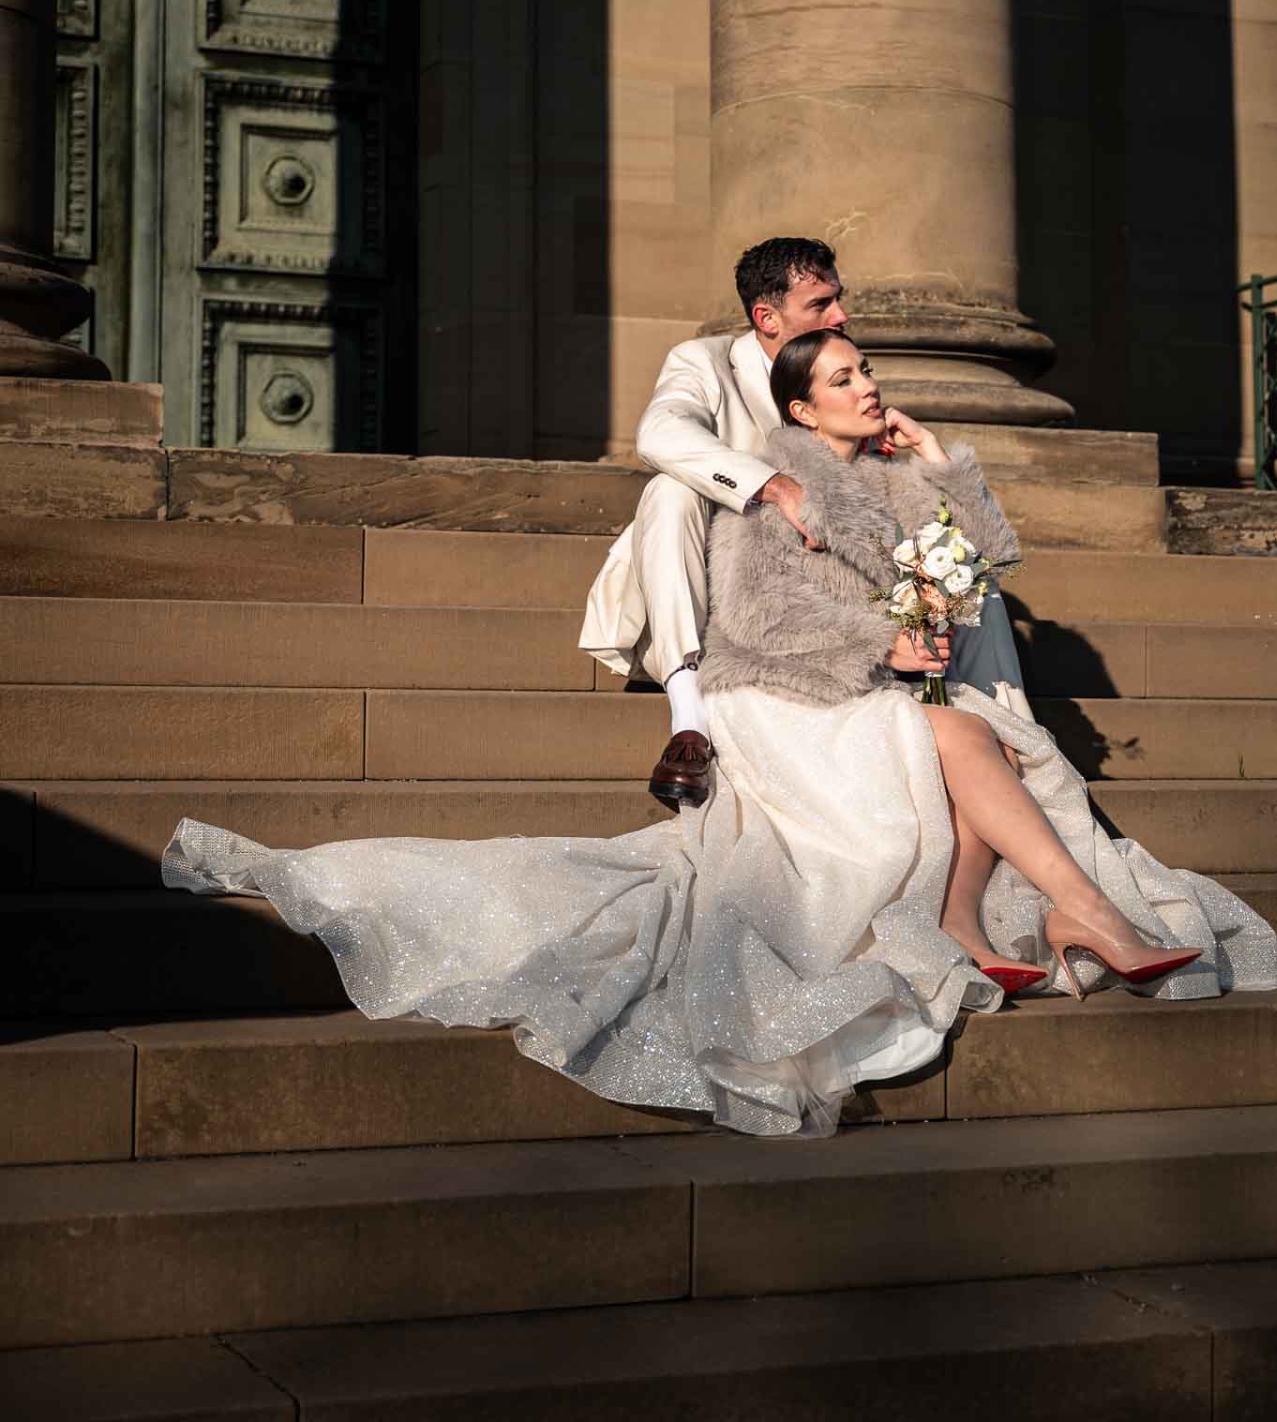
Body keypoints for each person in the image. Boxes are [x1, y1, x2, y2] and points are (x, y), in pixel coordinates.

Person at [161, 327, 1277, 1138]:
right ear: (801, 409)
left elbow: (984, 562)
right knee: (956, 739)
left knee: (962, 733)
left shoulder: (896, 481)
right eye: (844, 378)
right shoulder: (774, 490)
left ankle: (984, 918)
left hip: (871, 694)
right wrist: (879, 649)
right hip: (783, 699)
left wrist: (943, 467)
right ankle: (1077, 915)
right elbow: (753, 630)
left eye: (867, 372)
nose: (869, 386)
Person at [580, 237, 1030, 814]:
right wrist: (774, 486)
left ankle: (1012, 724)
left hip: (819, 596)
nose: (841, 315)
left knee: (971, 577)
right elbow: (658, 435)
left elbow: (986, 549)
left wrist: (928, 456)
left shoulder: (844, 378)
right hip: (720, 590)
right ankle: (688, 720)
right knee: (670, 490)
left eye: (838, 299)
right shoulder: (703, 363)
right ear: (767, 317)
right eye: (820, 304)